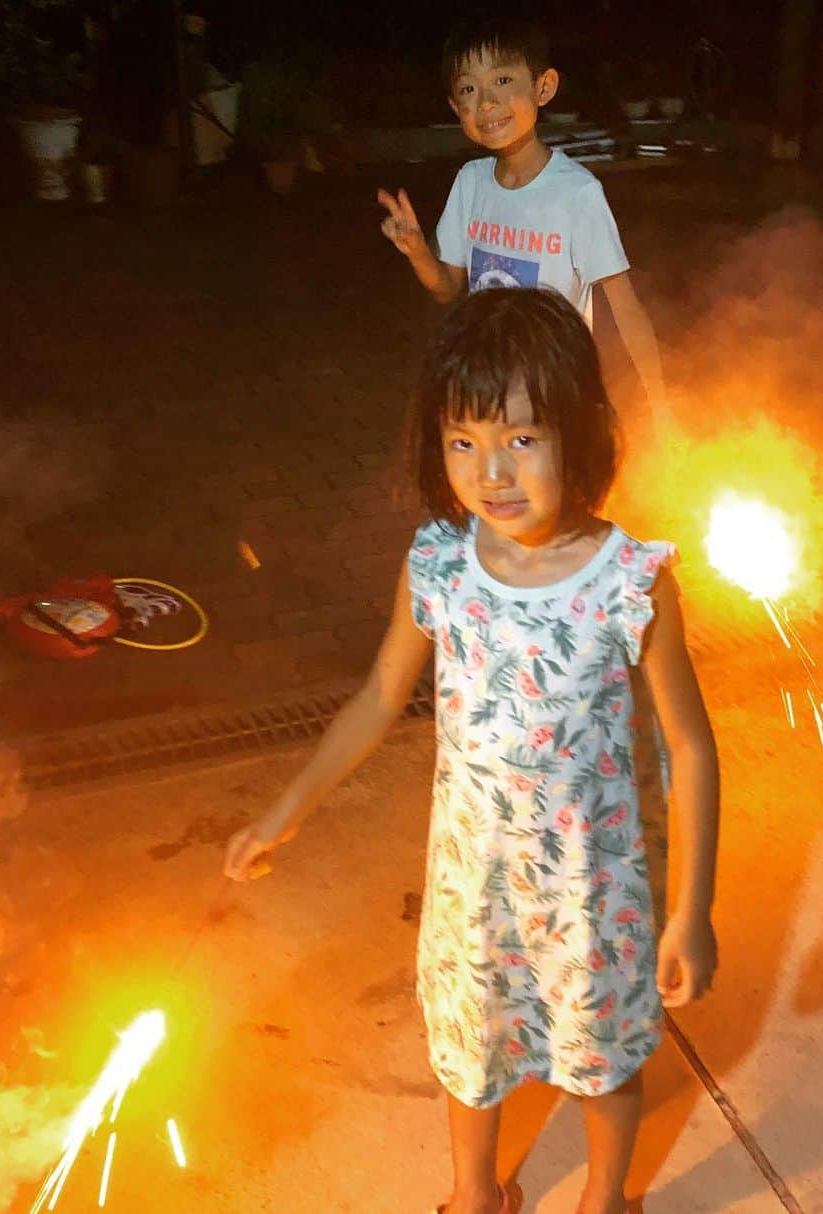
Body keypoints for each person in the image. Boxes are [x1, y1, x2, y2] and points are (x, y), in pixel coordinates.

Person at [224, 288, 719, 1214]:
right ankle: (474, 1192)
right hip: (473, 884)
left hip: (593, 888)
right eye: (463, 440)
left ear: (583, 433)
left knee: (602, 1059)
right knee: (470, 1048)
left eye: (523, 438)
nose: (491, 470)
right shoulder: (439, 567)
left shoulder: (633, 583)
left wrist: (691, 910)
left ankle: (607, 1198)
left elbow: (690, 748)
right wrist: (282, 812)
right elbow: (379, 695)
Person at [377, 20, 670, 431]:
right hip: (486, 391)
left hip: (554, 395)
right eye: (468, 89)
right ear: (454, 107)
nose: (486, 102)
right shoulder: (471, 182)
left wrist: (661, 408)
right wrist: (417, 250)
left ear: (543, 87)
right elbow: (447, 287)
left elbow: (626, 309)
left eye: (501, 79)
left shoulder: (577, 193)